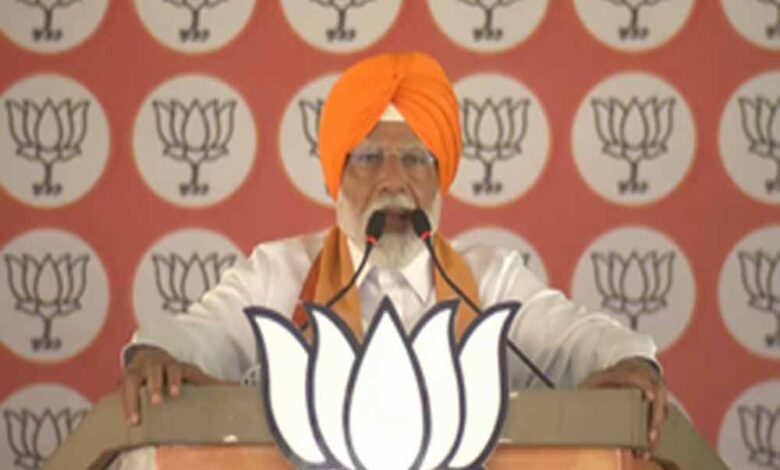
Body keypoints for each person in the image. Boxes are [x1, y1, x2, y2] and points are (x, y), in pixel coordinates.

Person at [120, 52, 668, 453]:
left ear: (440, 178)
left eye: (415, 159)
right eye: (367, 158)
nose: (393, 180)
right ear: (336, 177)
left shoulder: (489, 279)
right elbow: (200, 334)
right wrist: (157, 355)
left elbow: (578, 340)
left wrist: (627, 362)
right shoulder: (280, 273)